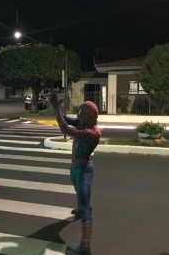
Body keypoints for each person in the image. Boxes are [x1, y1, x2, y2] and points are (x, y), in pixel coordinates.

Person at [49, 93, 101, 255]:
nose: (78, 116)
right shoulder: (83, 124)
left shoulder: (92, 133)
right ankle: (81, 207)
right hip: (76, 168)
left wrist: (57, 107)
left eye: (81, 113)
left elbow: (64, 127)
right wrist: (57, 108)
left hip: (84, 169)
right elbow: (66, 120)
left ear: (87, 116)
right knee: (79, 194)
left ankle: (85, 247)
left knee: (85, 206)